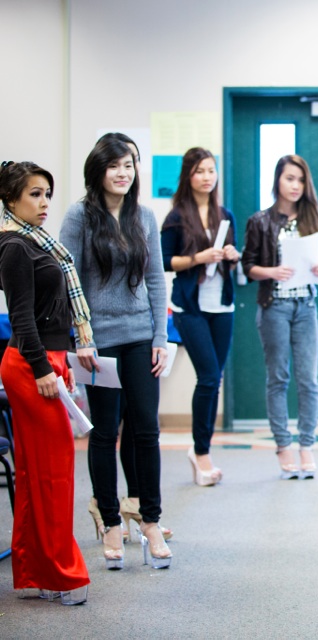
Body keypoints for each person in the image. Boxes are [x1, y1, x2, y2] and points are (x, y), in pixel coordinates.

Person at [60, 136, 172, 570]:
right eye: (115, 166)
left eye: (129, 165)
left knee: (146, 428)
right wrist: (80, 336)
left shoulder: (144, 216)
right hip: (97, 341)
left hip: (141, 334)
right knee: (105, 431)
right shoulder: (80, 216)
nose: (123, 173)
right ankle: (109, 519)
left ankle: (150, 520)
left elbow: (157, 279)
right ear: (98, 171)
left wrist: (160, 337)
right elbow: (68, 279)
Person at [0, 161, 90, 605]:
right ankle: (61, 574)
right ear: (11, 199)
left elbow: (50, 312)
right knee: (53, 474)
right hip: (29, 365)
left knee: (39, 474)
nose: (44, 203)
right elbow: (20, 318)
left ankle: (38, 571)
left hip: (46, 359)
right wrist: (42, 369)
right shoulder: (15, 246)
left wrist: (59, 359)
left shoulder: (41, 243)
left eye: (47, 194)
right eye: (34, 194)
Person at [241, 154, 318, 479]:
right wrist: (272, 271)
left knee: (309, 380)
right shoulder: (260, 221)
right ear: (278, 179)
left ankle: (307, 444)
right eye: (290, 178)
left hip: (306, 305)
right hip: (274, 306)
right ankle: (283, 446)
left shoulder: (311, 218)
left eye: (301, 180)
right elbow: (247, 266)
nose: (295, 185)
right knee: (278, 378)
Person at [161, 148, 239, 486]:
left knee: (214, 379)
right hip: (189, 308)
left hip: (222, 306)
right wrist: (197, 257)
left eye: (211, 170)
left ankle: (201, 449)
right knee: (208, 376)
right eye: (200, 171)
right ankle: (201, 451)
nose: (207, 177)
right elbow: (166, 262)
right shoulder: (176, 216)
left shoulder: (225, 215)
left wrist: (232, 255)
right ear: (188, 176)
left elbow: (231, 256)